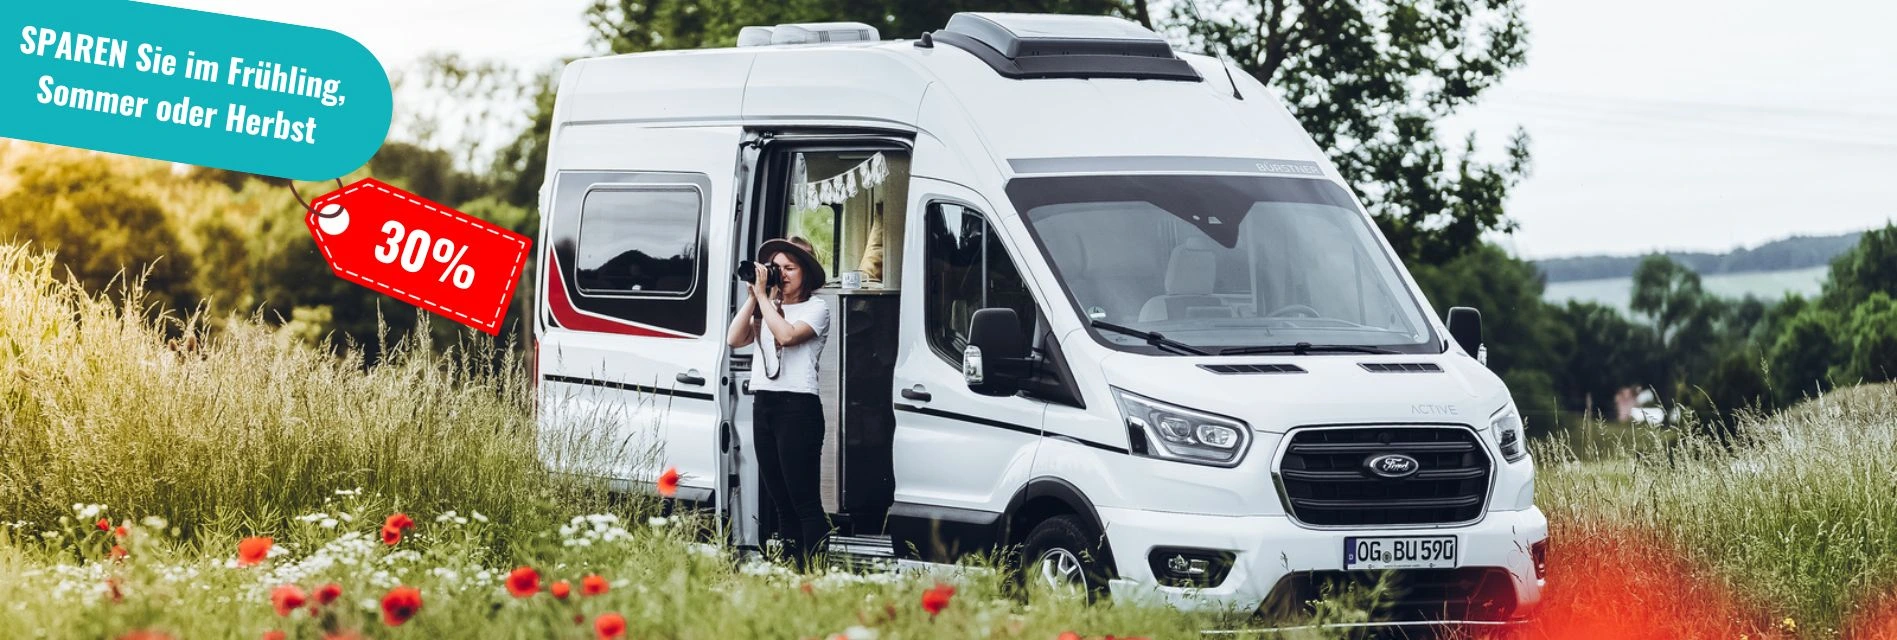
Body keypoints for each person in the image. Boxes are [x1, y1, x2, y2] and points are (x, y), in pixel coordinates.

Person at [725, 236, 832, 569]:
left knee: (804, 501)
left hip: (798, 408)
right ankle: (791, 571)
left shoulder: (817, 308)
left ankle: (815, 570)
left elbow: (787, 336)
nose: (782, 274)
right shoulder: (767, 305)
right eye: (777, 268)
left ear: (806, 272)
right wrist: (753, 298)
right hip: (765, 405)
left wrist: (762, 297)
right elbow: (734, 338)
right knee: (780, 501)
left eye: (790, 267)